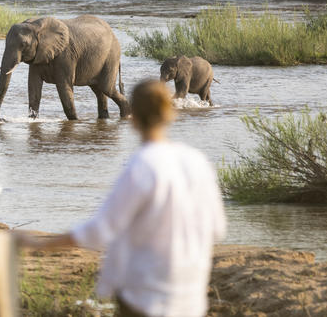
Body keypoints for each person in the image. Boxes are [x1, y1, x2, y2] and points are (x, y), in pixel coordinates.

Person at [17, 79, 226, 317]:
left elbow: (100, 231)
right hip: (191, 298)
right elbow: (217, 229)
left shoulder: (142, 166)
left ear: (133, 117)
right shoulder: (198, 162)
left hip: (144, 297)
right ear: (170, 113)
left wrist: (40, 245)